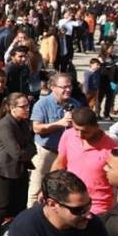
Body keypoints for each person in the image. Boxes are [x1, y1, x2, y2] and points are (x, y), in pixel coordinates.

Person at [7, 170, 116, 236]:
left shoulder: (94, 226)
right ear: (52, 204)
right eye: (78, 210)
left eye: (89, 205)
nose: (88, 215)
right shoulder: (25, 230)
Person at [0, 92, 36, 236]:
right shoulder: (5, 125)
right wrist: (28, 150)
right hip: (6, 173)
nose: (27, 109)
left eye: (28, 105)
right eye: (23, 106)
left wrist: (28, 150)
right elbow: (17, 153)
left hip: (21, 171)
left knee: (19, 207)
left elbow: (32, 146)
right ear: (12, 108)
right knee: (1, 207)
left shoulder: (23, 122)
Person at [51, 107, 118, 215]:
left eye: (85, 132)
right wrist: (49, 189)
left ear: (96, 127)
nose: (79, 135)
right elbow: (60, 163)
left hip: (98, 207)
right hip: (70, 203)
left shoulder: (111, 148)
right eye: (76, 129)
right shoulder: (68, 135)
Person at [27, 73, 79, 206]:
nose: (68, 89)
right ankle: (32, 215)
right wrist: (60, 124)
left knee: (60, 190)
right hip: (46, 153)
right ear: (53, 87)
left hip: (66, 155)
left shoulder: (75, 104)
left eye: (70, 86)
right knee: (37, 189)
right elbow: (36, 128)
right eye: (64, 87)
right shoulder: (42, 104)